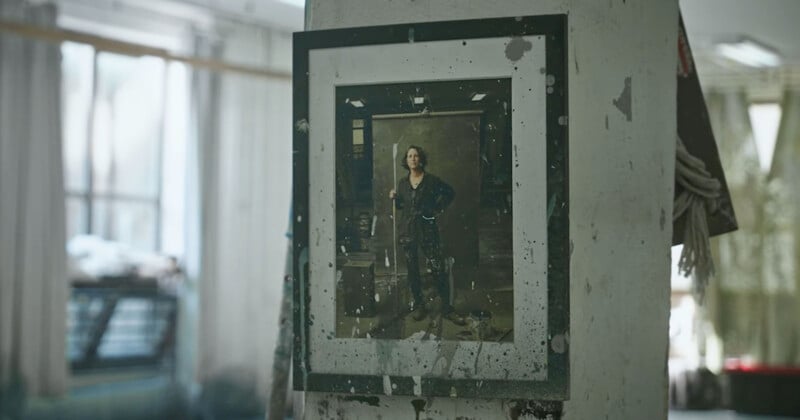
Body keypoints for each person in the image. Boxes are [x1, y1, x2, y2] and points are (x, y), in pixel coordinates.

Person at [390, 145, 465, 325]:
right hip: (408, 231)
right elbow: (402, 206)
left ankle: (447, 308)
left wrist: (436, 209)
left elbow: (450, 193)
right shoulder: (402, 183)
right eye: (410, 156)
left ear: (421, 159)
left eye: (416, 156)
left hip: (427, 230)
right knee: (413, 270)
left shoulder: (431, 181)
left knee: (438, 268)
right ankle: (419, 305)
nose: (413, 159)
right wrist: (395, 197)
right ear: (406, 161)